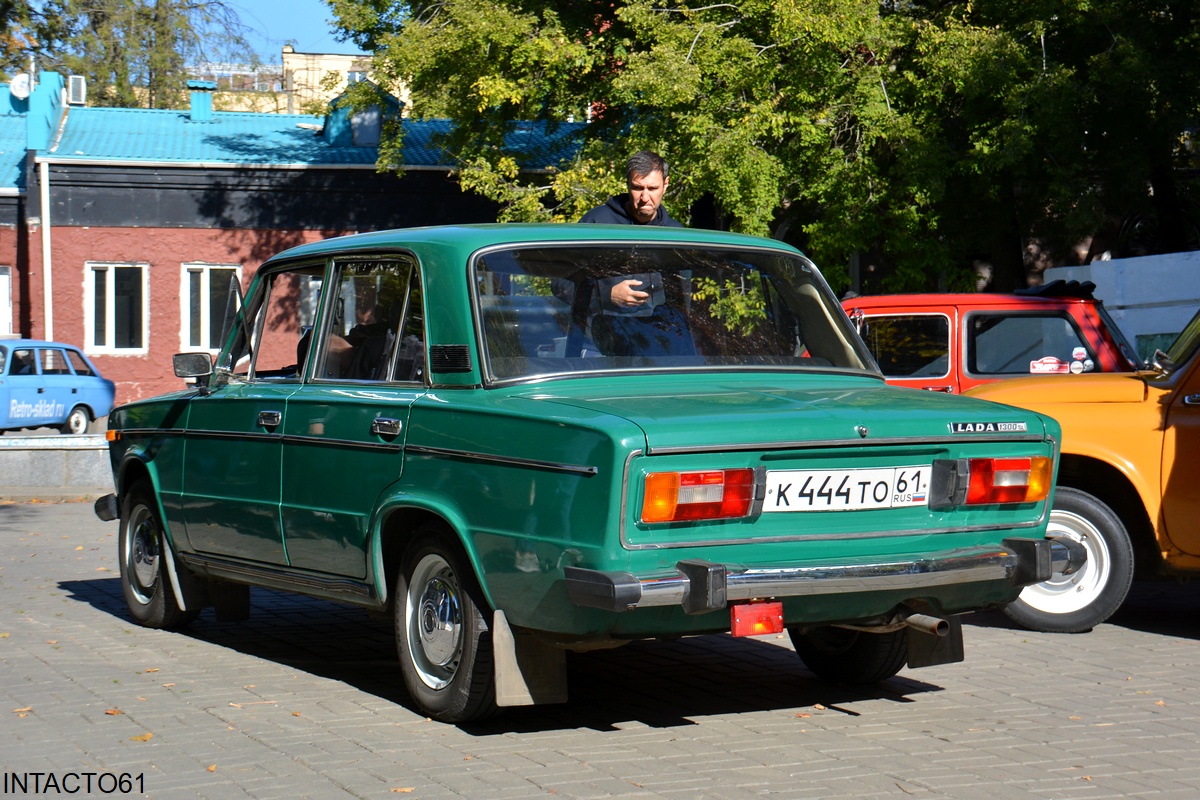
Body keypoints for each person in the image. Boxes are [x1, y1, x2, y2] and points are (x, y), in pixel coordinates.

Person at [579, 150, 683, 307]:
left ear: (665, 184)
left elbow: (683, 298)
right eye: (637, 188)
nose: (645, 198)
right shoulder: (597, 223)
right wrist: (606, 294)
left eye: (653, 188)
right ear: (628, 184)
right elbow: (561, 283)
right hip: (601, 328)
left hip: (660, 329)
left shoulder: (676, 234)